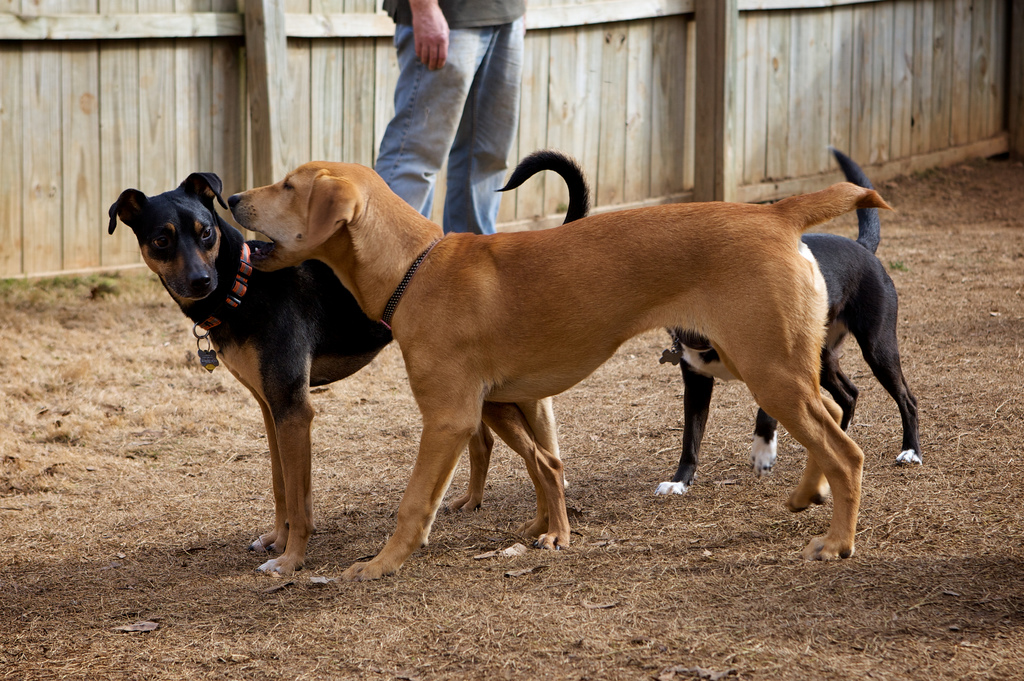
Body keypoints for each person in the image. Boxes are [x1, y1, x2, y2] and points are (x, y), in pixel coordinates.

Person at [376, 0, 525, 235]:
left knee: (486, 157)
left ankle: (471, 265)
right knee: (415, 154)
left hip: (506, 13)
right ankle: (391, 265)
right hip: (447, 16)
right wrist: (424, 7)